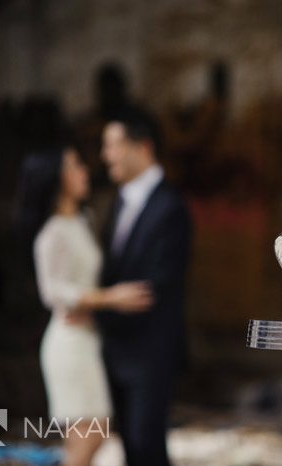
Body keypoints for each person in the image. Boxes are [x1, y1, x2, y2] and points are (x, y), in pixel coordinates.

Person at [17, 146, 154, 466]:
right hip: (69, 343)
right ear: (57, 179)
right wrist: (111, 298)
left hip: (88, 338)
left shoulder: (83, 220)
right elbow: (52, 292)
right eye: (75, 165)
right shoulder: (51, 234)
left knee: (95, 433)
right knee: (89, 435)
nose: (84, 171)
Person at [96, 108, 190, 466]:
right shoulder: (118, 202)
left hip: (150, 352)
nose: (106, 156)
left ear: (143, 147)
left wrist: (100, 301)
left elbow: (157, 285)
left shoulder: (171, 207)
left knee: (147, 446)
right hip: (114, 348)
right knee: (130, 449)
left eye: (113, 145)